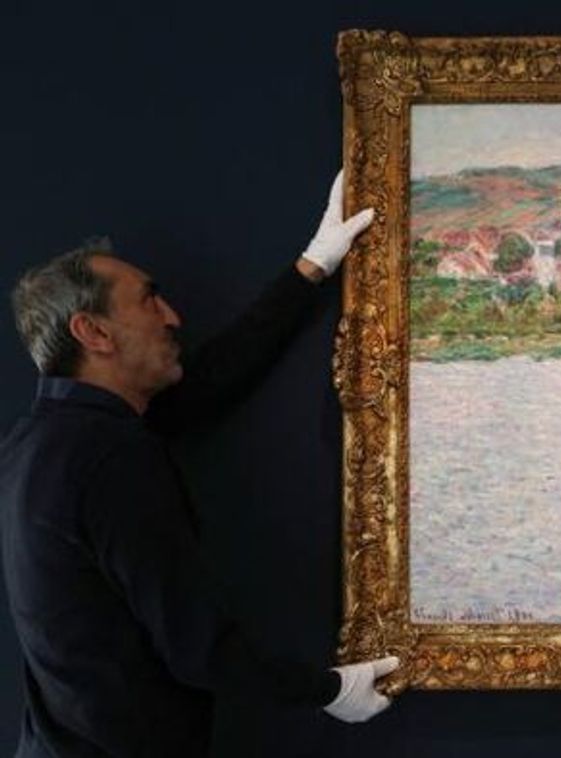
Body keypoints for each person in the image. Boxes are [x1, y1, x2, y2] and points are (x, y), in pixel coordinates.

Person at [0, 172, 401, 757]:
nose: (172, 316)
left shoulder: (38, 445)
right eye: (148, 300)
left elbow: (208, 383)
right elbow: (197, 646)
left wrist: (313, 265)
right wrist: (327, 690)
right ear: (93, 331)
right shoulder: (109, 457)